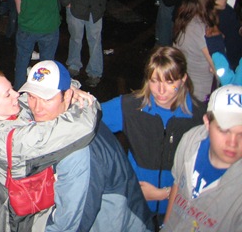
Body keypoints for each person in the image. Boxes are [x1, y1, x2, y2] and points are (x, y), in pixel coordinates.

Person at [20, 60, 155, 231]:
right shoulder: (76, 116)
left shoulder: (78, 151)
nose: (36, 108)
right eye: (32, 96)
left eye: (47, 99)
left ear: (67, 96)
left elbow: (69, 225)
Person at [0, 68, 99, 232]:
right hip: (29, 213)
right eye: (8, 94)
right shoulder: (15, 141)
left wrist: (69, 88)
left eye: (12, 88)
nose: (17, 94)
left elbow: (36, 96)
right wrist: (89, 101)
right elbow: (82, 126)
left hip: (9, 195)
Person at [102, 47, 205, 222]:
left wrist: (163, 194)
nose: (161, 90)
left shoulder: (199, 117)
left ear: (183, 79)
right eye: (154, 81)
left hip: (178, 208)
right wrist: (78, 97)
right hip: (136, 203)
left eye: (170, 81)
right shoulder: (130, 107)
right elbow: (90, 120)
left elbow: (208, 174)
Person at [164, 85, 242, 231]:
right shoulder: (190, 140)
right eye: (224, 130)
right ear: (207, 122)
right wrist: (165, 226)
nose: (233, 143)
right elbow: (177, 184)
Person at [173, 0, 229, 102]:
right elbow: (220, 70)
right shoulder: (200, 28)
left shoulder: (190, 17)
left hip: (190, 91)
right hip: (200, 96)